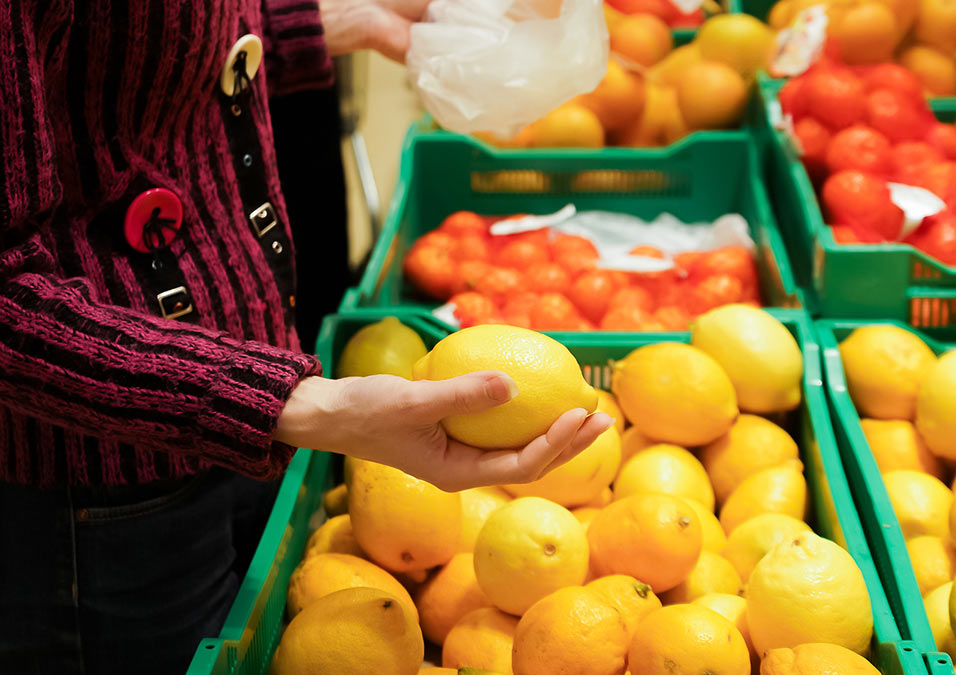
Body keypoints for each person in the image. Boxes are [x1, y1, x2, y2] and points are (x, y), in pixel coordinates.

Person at [0, 1, 613, 673]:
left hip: (242, 410)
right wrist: (302, 407)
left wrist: (328, 23)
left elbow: (112, 57)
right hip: (105, 478)